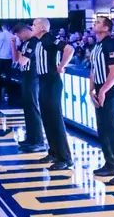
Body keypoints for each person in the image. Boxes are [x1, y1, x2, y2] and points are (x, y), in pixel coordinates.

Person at [20, 18, 74, 170]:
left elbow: (69, 49)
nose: (32, 27)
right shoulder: (37, 42)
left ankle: (65, 157)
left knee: (55, 120)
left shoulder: (49, 39)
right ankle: (54, 152)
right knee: (47, 118)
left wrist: (61, 66)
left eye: (35, 25)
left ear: (42, 27)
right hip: (42, 81)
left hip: (52, 82)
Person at [89, 15, 114, 185]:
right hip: (99, 89)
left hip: (111, 91)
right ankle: (110, 164)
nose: (94, 24)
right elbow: (92, 69)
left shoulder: (111, 45)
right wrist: (91, 89)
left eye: (98, 22)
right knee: (103, 129)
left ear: (106, 28)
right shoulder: (96, 46)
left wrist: (103, 90)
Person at [12, 22, 46, 153]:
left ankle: (38, 140)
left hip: (33, 76)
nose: (19, 37)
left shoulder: (33, 41)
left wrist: (21, 54)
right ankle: (31, 138)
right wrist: (13, 45)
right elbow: (16, 58)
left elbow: (22, 61)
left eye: (19, 34)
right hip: (25, 76)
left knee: (33, 107)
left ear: (25, 31)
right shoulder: (24, 42)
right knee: (27, 108)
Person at [0, 24, 13, 102]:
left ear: (2, 27)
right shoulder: (12, 36)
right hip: (8, 58)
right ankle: (8, 93)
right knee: (8, 76)